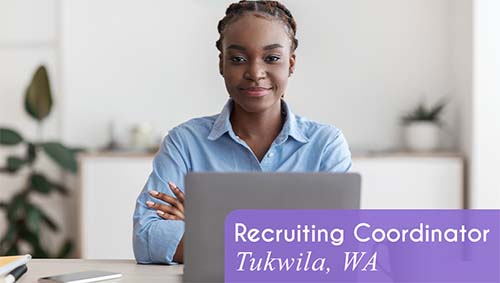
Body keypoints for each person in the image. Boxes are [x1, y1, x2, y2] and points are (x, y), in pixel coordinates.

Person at [132, 0, 352, 265]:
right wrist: (289, 240)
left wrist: (207, 225)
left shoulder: (325, 145)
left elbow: (337, 246)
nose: (255, 73)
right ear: (222, 64)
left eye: (271, 58)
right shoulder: (185, 142)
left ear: (290, 64)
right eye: (238, 59)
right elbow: (148, 239)